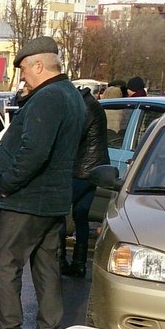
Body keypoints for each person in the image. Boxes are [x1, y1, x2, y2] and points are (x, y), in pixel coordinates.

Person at [0, 36, 85, 329]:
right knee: (46, 265)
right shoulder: (70, 95)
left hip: (28, 199)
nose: (23, 77)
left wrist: (7, 185)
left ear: (38, 64)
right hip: (54, 199)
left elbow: (34, 151)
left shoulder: (48, 97)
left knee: (6, 262)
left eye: (24, 70)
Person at [59, 86, 110, 277]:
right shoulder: (91, 104)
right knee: (81, 216)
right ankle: (79, 263)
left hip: (82, 169)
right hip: (93, 169)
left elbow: (74, 136)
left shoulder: (86, 107)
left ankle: (60, 259)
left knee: (60, 212)